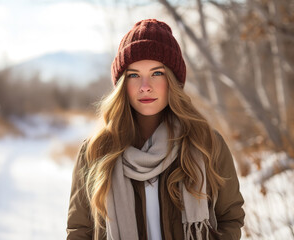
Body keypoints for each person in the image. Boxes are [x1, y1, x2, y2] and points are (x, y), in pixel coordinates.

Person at [67, 19, 245, 240]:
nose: (145, 86)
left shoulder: (206, 143)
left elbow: (231, 217)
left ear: (173, 81)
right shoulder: (95, 151)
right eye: (134, 75)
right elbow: (80, 231)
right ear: (123, 84)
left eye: (157, 73)